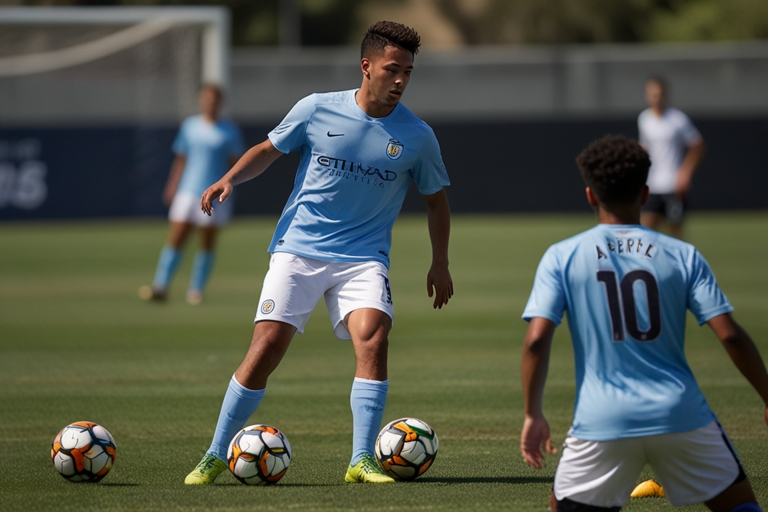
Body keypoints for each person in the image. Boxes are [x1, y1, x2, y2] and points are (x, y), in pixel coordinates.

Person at [184, 21, 452, 485]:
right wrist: (230, 178)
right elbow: (269, 149)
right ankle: (213, 453)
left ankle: (361, 460)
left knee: (374, 337)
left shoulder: (418, 136)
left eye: (408, 71)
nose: (401, 80)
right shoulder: (317, 109)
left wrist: (441, 261)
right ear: (366, 67)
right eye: (393, 69)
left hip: (365, 258)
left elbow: (436, 201)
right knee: (266, 347)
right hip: (300, 250)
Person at [519, 135, 768, 511]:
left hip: (601, 420)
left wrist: (533, 413)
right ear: (646, 192)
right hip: (680, 414)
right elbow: (730, 335)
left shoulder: (562, 256)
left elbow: (536, 341)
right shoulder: (682, 254)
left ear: (590, 195)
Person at [139, 85, 245, 305]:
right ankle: (161, 285)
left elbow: (235, 163)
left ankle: (196, 290)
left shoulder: (229, 130)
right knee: (176, 238)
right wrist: (172, 184)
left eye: (214, 99)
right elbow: (181, 158)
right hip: (188, 190)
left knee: (206, 242)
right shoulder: (190, 126)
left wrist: (228, 185)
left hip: (214, 193)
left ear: (220, 102)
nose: (209, 103)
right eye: (206, 98)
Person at [638, 76, 706, 239]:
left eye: (660, 94)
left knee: (675, 235)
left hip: (673, 185)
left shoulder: (677, 119)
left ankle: (676, 265)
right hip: (652, 185)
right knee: (645, 233)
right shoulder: (644, 119)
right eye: (653, 94)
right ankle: (647, 265)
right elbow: (644, 149)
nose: (657, 98)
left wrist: (685, 172)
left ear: (665, 95)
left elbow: (698, 145)